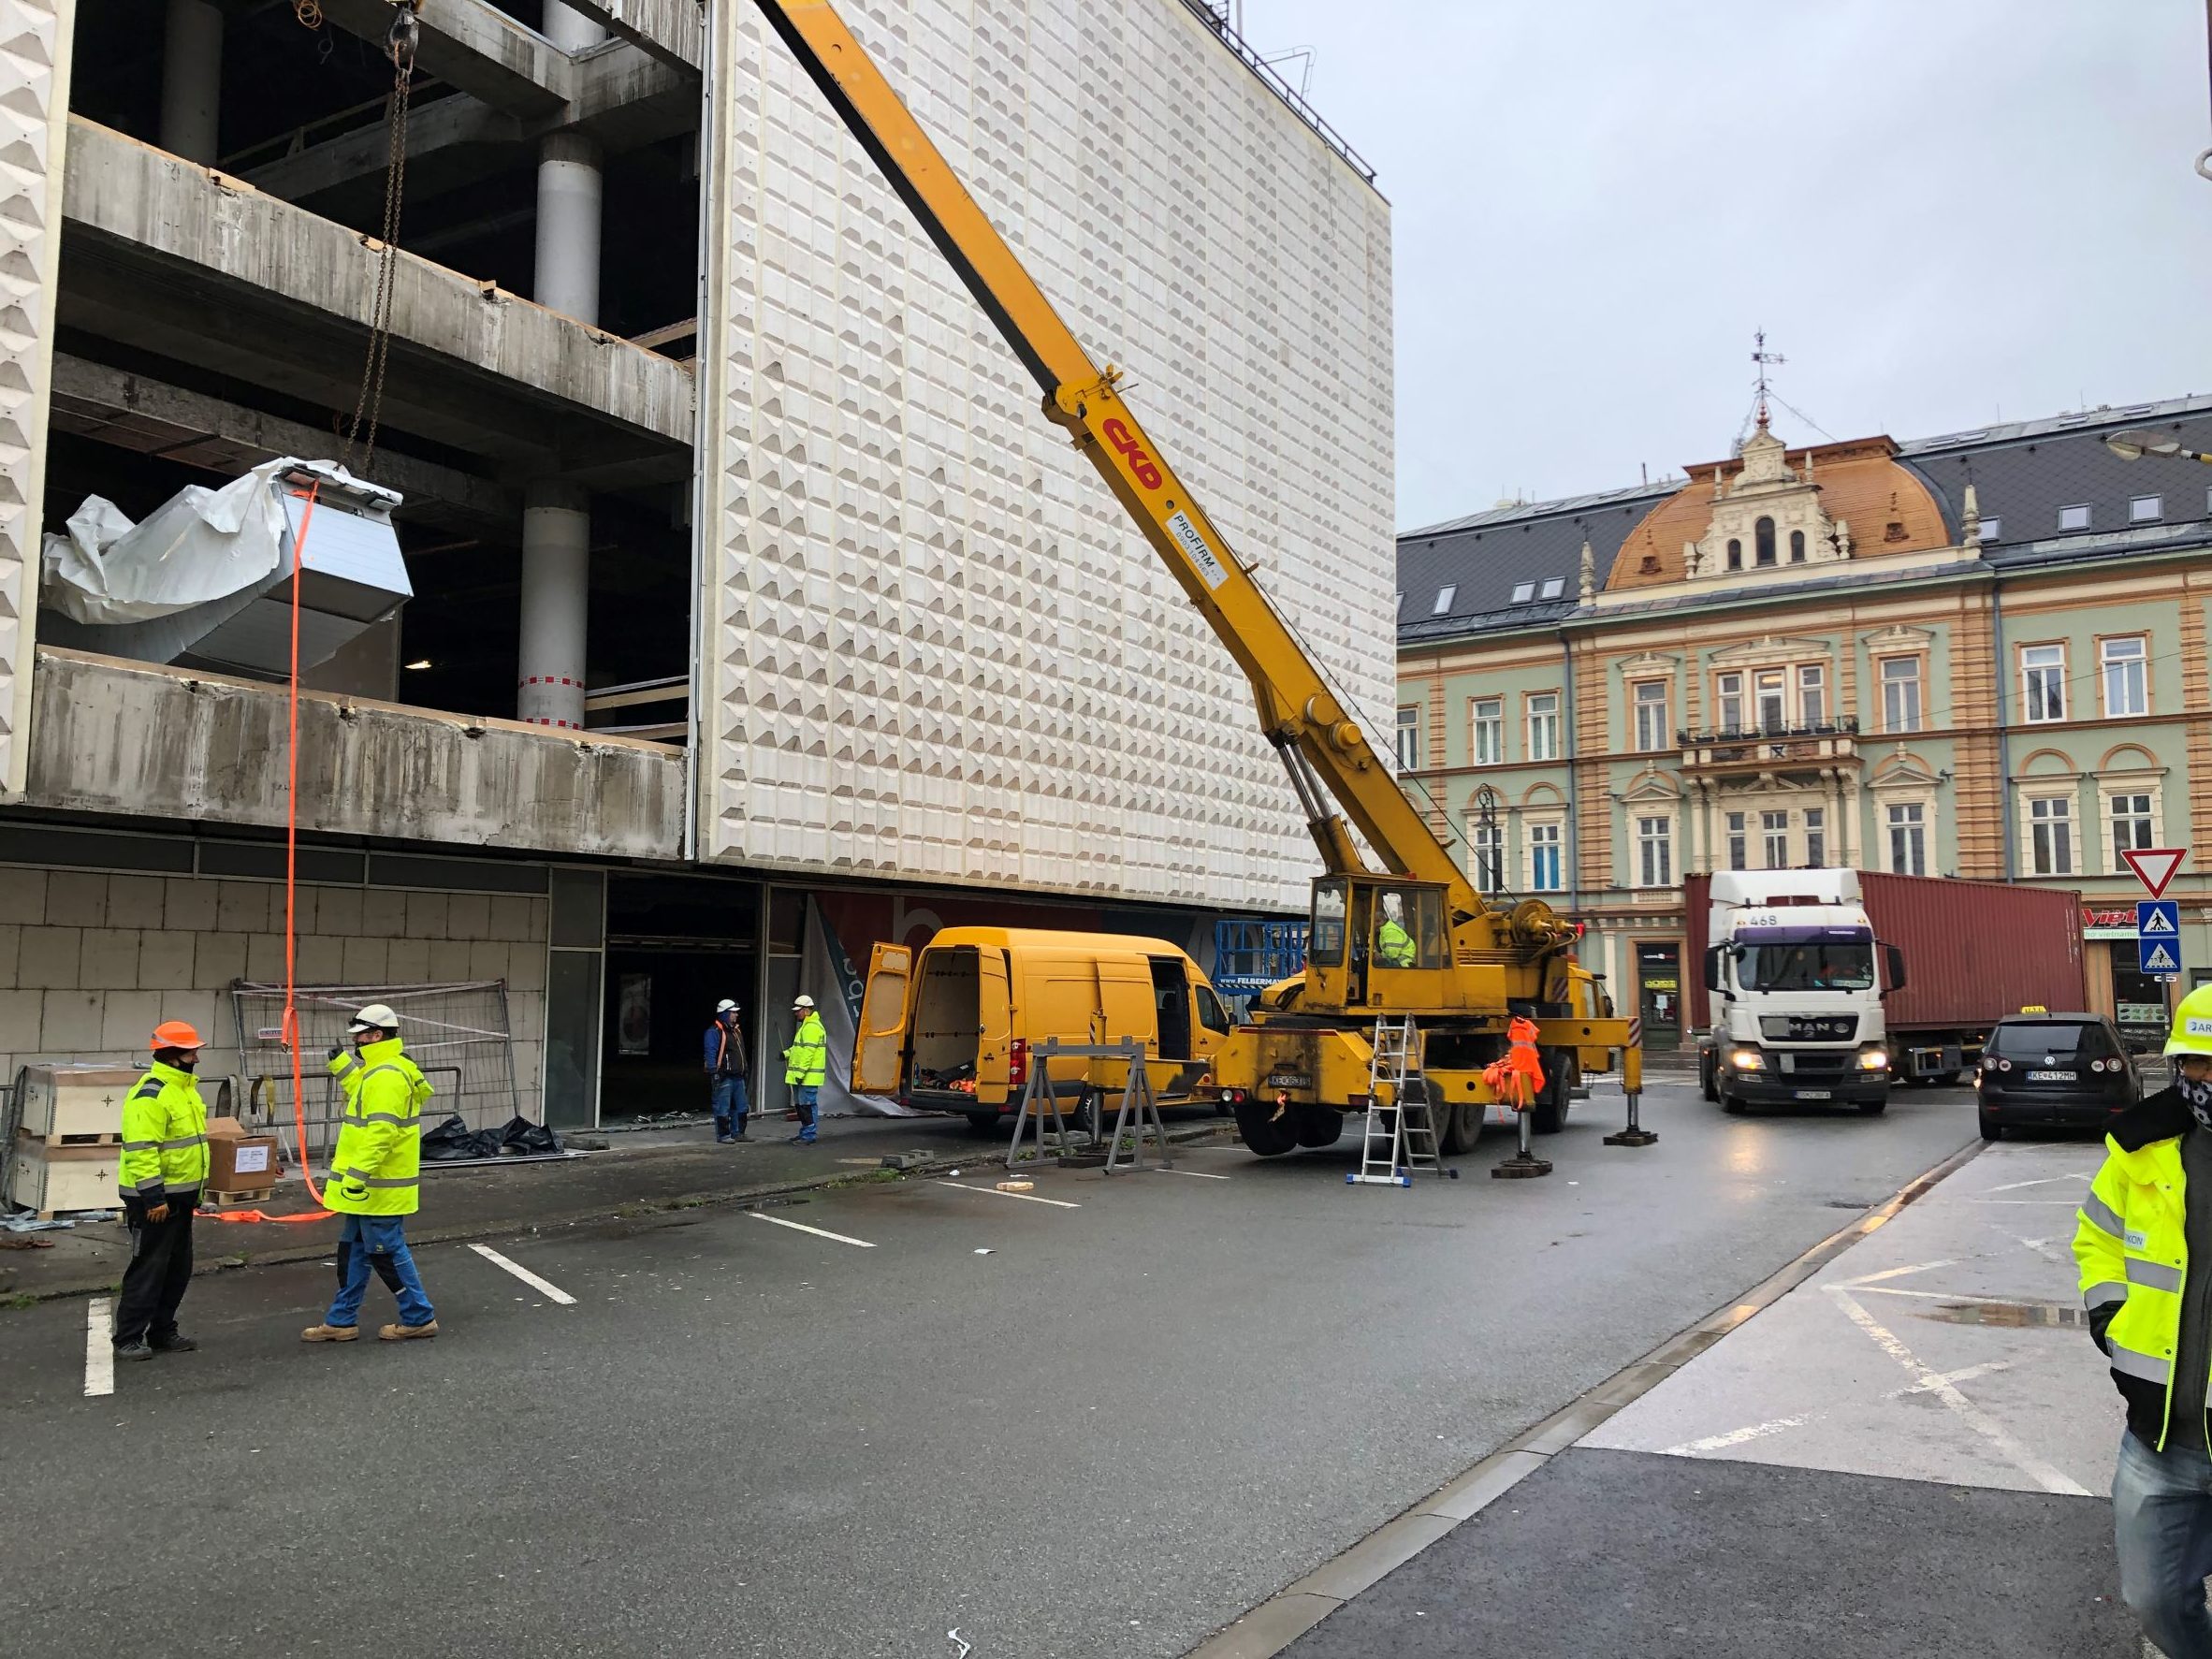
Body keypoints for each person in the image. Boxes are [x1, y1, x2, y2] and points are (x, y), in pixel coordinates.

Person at [2077, 983, 2212, 1659]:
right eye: (2198, 1063)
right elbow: (2096, 1233)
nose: (2208, 1078)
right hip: (2163, 1436)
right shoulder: (2144, 1143)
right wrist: (2110, 1314)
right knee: (2155, 1600)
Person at [302, 1003, 439, 1344]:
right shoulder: (383, 1069)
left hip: (375, 1187)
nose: (356, 1042)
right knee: (354, 1251)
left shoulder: (387, 1075)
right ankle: (341, 1320)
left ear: (376, 1035)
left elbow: (382, 1131)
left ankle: (419, 1316)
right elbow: (361, 1088)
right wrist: (341, 1064)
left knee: (386, 1252)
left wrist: (356, 1176)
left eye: (360, 1036)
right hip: (371, 1187)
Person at [112, 1020, 212, 1362]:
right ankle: (128, 1337)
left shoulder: (184, 1089)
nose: (196, 1057)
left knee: (176, 1268)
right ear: (172, 1056)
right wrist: (154, 1198)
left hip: (179, 1197)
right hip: (155, 1201)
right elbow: (142, 1150)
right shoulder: (151, 1094)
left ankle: (161, 1331)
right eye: (191, 1052)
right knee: (149, 1268)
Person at [705, 997, 750, 1143]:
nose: (736, 1015)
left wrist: (745, 1069)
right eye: (733, 1012)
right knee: (722, 1107)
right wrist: (714, 1072)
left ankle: (738, 1133)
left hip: (738, 1076)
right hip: (724, 1076)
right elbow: (710, 1052)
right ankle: (724, 1135)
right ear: (725, 1013)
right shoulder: (714, 1032)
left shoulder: (735, 1031)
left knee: (741, 1107)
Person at [783, 995, 826, 1144]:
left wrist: (800, 1072)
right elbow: (798, 1049)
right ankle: (806, 1132)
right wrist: (786, 1054)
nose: (796, 1013)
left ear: (806, 1010)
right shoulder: (807, 1026)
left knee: (806, 1106)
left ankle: (809, 1135)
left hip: (807, 1076)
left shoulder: (812, 1027)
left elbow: (809, 1052)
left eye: (798, 1011)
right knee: (802, 1106)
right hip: (805, 1076)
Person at [1376, 892, 1417, 968]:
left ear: (1383, 920)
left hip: (1403, 964)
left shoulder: (1390, 931)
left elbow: (1392, 953)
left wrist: (1380, 957)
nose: (1375, 925)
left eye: (1377, 921)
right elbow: (1388, 950)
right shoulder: (1385, 930)